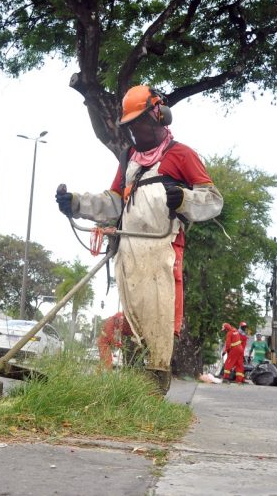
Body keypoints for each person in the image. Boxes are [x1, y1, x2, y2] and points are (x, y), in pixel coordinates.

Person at [56, 85, 223, 393]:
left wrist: (184, 199)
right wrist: (77, 203)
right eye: (130, 125)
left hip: (163, 249)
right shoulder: (129, 159)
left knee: (160, 319)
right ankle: (133, 391)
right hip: (129, 250)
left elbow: (213, 200)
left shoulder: (182, 155)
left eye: (140, 122)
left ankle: (156, 383)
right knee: (133, 320)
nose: (135, 130)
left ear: (159, 116)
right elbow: (114, 201)